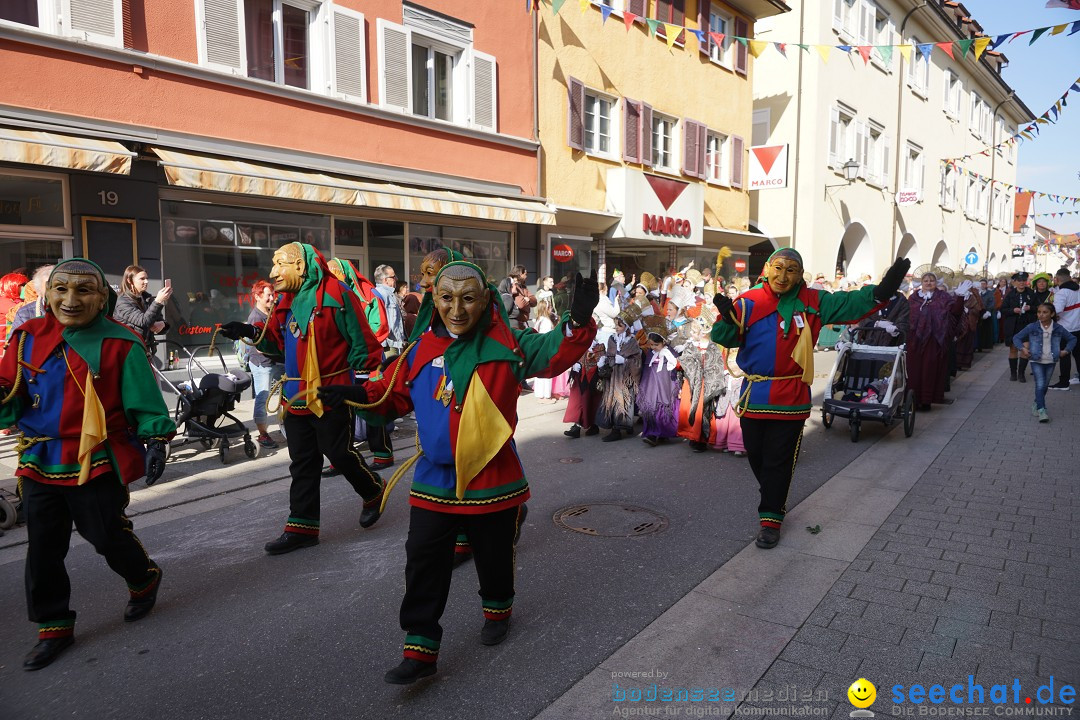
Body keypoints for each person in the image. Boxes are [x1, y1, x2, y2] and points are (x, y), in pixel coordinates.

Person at [317, 263, 598, 685]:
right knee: (424, 559)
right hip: (435, 481)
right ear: (435, 299)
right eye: (447, 298)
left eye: (468, 298)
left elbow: (555, 350)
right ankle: (420, 647)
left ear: (485, 300)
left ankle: (498, 609)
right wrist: (353, 393)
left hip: (492, 479)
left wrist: (576, 321)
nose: (457, 309)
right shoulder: (421, 349)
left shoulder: (509, 346)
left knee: (494, 556)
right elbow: (392, 396)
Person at [0, 259, 174, 671]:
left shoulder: (121, 342)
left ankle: (143, 577)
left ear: (102, 298)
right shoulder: (25, 337)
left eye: (83, 291)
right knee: (43, 545)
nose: (71, 300)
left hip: (97, 459)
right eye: (61, 290)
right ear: (47, 295)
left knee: (106, 535)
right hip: (41, 458)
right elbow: (10, 392)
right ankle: (53, 625)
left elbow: (145, 402)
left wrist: (155, 438)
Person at [710, 249, 909, 549]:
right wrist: (727, 317)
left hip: (791, 397)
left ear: (800, 274)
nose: (783, 275)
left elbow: (853, 304)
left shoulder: (814, 302)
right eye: (778, 267)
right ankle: (772, 494)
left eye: (791, 270)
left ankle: (770, 518)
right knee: (757, 456)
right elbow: (725, 337)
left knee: (778, 460)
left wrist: (884, 289)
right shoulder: (748, 302)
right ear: (766, 268)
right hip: (755, 395)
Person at [219, 242, 387, 555]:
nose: (272, 273)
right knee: (303, 462)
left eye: (280, 264)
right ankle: (302, 527)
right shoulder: (284, 301)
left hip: (330, 391)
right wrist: (245, 329)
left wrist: (358, 384)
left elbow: (364, 344)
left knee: (337, 453)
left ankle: (372, 488)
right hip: (295, 395)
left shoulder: (338, 294)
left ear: (300, 266)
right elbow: (275, 344)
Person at [329, 258, 395, 469]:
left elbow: (379, 328)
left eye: (336, 272)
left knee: (373, 406)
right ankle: (342, 457)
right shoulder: (332, 296)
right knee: (340, 413)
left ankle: (382, 452)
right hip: (342, 365)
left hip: (368, 361)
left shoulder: (370, 297)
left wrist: (360, 346)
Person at [1013, 303, 1076, 423]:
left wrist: (1066, 351)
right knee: (1040, 385)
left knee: (1044, 386)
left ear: (1052, 314)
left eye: (1045, 312)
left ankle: (1036, 404)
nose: (1041, 315)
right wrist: (1023, 348)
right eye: (1039, 312)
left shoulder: (1058, 328)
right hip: (1036, 359)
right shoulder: (1032, 327)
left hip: (1051, 360)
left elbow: (1073, 338)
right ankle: (1042, 410)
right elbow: (1016, 337)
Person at [907, 272, 959, 410]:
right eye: (925, 280)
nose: (928, 283)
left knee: (929, 369)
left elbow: (955, 312)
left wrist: (959, 297)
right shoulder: (914, 298)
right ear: (921, 282)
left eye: (931, 280)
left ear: (936, 282)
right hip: (915, 340)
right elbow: (909, 315)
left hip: (934, 340)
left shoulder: (943, 297)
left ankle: (926, 400)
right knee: (915, 370)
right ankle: (913, 399)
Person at [245, 280, 285, 449]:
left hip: (276, 361)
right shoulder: (255, 318)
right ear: (257, 296)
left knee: (290, 386)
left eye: (272, 294)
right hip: (262, 363)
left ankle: (288, 423)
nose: (271, 298)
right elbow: (260, 347)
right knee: (263, 397)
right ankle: (262, 434)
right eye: (268, 295)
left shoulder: (271, 312)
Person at [677, 317, 726, 452]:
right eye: (692, 331)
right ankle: (693, 436)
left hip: (706, 384)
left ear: (703, 332)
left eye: (694, 331)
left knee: (703, 411)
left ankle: (701, 439)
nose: (691, 334)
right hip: (692, 383)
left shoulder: (712, 347)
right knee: (691, 409)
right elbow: (685, 361)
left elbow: (716, 365)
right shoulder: (690, 345)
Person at [595, 316, 642, 442]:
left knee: (624, 400)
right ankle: (619, 427)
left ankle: (619, 428)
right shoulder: (612, 339)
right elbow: (610, 354)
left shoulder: (631, 341)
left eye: (619, 325)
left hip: (625, 377)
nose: (616, 327)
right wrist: (604, 359)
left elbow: (637, 361)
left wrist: (625, 361)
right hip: (613, 376)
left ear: (626, 327)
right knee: (612, 399)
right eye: (615, 325)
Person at [113, 265, 171, 360]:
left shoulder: (147, 298)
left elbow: (158, 322)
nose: (146, 281)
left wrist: (163, 325)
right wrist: (158, 301)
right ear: (129, 280)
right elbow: (143, 321)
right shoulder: (122, 302)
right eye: (142, 279)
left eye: (147, 278)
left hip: (147, 353)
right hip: (129, 354)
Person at [638, 332, 679, 446]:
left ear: (663, 342)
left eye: (656, 345)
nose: (653, 348)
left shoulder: (670, 353)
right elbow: (647, 371)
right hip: (651, 387)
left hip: (666, 386)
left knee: (664, 407)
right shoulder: (651, 354)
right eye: (651, 345)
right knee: (652, 407)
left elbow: (674, 370)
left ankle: (663, 433)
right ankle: (652, 434)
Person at [563, 337, 605, 439]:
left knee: (592, 402)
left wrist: (601, 361)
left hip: (594, 378)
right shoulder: (580, 345)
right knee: (578, 402)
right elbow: (575, 356)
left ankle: (593, 425)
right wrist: (575, 364)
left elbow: (601, 359)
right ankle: (576, 427)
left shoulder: (599, 347)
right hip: (581, 377)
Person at [710, 348, 745, 457]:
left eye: (734, 362)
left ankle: (737, 447)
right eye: (730, 362)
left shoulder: (744, 377)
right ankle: (725, 444)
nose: (732, 365)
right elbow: (719, 389)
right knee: (724, 425)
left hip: (737, 406)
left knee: (737, 426)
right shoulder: (725, 376)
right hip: (725, 404)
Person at [1001, 272, 1035, 382]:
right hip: (1013, 325)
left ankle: (1021, 373)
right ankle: (1013, 373)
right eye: (1019, 280)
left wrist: (1031, 308)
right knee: (1013, 349)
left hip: (1026, 325)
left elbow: (1038, 307)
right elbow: (1003, 309)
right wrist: (1013, 310)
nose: (1021, 282)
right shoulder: (1010, 294)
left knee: (1026, 348)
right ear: (1015, 282)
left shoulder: (1031, 293)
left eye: (1023, 280)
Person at [1051, 267, 1080, 388]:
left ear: (1057, 279)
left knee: (1064, 355)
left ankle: (1064, 383)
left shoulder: (1062, 292)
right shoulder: (1078, 290)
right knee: (1078, 355)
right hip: (1078, 327)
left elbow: (1056, 310)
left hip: (1065, 329)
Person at [373, 264, 406, 360]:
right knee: (390, 373)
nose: (396, 279)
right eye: (393, 277)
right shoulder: (381, 294)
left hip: (394, 344)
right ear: (385, 280)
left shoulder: (389, 294)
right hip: (389, 345)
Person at [10, 264, 53, 333]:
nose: (54, 291)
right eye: (48, 286)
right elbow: (16, 342)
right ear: (39, 291)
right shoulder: (25, 313)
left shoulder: (73, 309)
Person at [530, 299, 558, 403]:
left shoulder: (539, 320)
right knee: (546, 372)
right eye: (549, 307)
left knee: (540, 372)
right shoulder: (546, 321)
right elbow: (547, 336)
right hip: (545, 348)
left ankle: (540, 395)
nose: (551, 309)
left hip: (539, 348)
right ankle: (545, 396)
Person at [952, 280, 983, 371]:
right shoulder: (956, 296)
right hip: (957, 324)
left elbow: (978, 310)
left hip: (969, 323)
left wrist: (969, 311)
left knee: (966, 344)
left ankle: (963, 362)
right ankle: (956, 363)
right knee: (957, 344)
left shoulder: (972, 297)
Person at [497, 265, 536, 331]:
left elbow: (534, 301)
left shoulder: (523, 287)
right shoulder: (511, 285)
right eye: (525, 274)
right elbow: (521, 304)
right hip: (515, 324)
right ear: (520, 274)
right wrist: (528, 305)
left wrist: (528, 299)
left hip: (522, 324)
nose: (526, 276)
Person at [0, 271, 29, 346]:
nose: (25, 287)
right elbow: (25, 314)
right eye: (23, 285)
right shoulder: (4, 302)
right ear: (12, 286)